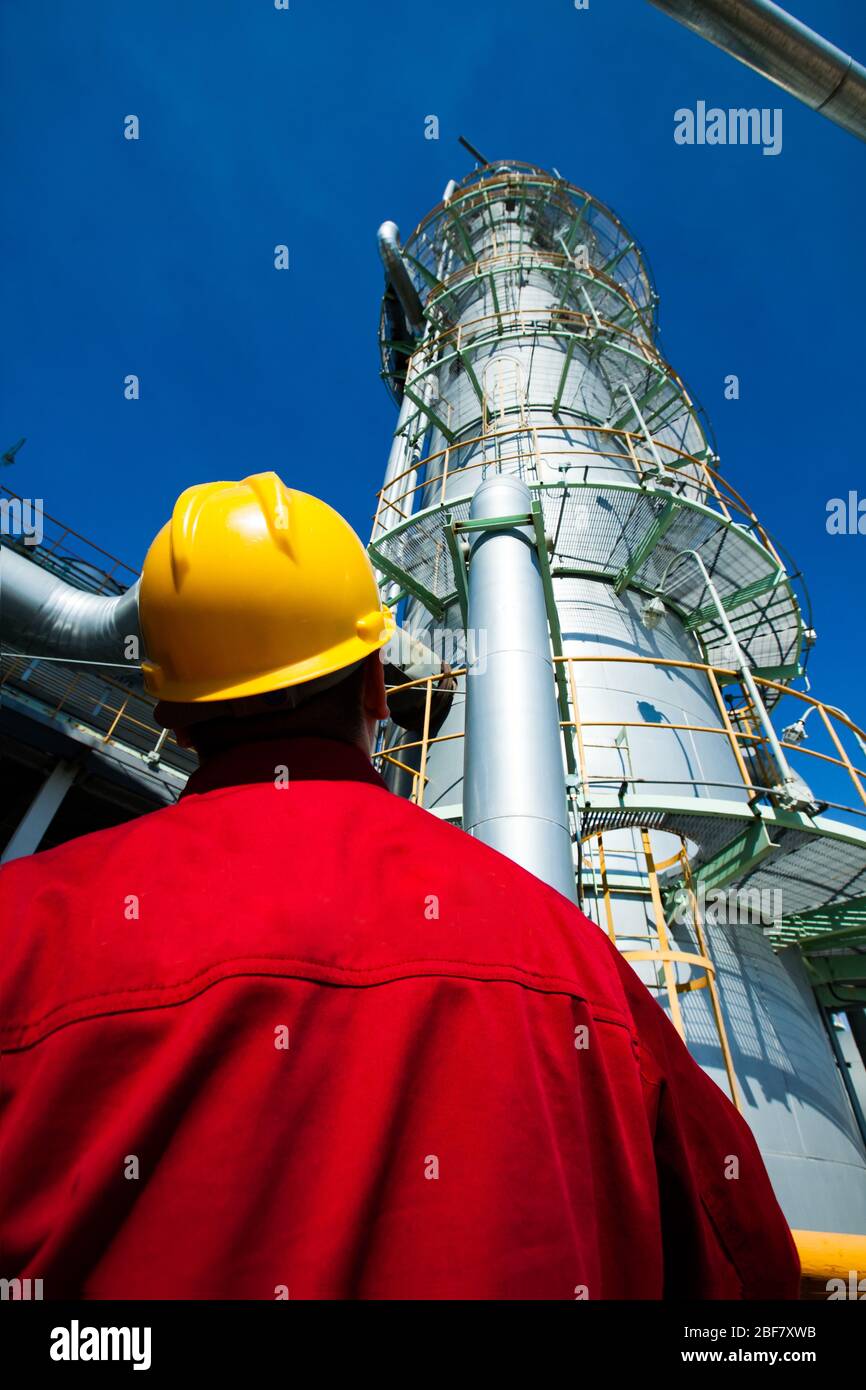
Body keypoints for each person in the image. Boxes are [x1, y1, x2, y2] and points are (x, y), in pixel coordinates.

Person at [0, 472, 800, 1300]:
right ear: (381, 685)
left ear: (168, 711)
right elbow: (750, 1262)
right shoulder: (575, 962)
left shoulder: (22, 922)